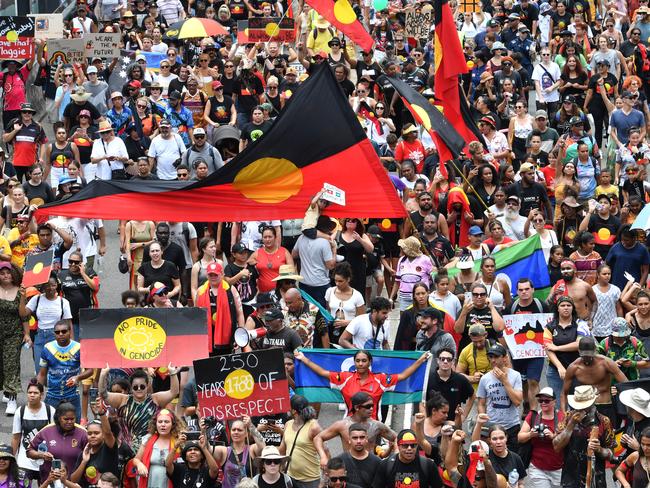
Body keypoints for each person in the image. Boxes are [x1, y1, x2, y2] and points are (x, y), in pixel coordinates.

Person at [294, 349, 430, 419]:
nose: (360, 363)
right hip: (349, 425)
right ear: (354, 362)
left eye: (364, 360)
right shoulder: (344, 378)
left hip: (373, 425)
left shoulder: (381, 379)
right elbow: (323, 372)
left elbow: (403, 376)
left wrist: (420, 360)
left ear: (370, 362)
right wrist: (303, 359)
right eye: (358, 361)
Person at [98, 366, 180, 453]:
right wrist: (103, 374)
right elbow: (103, 394)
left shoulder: (155, 399)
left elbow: (174, 392)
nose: (139, 389)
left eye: (142, 386)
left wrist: (172, 373)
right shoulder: (123, 400)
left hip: (150, 449)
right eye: (135, 387)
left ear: (147, 386)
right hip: (127, 449)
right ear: (131, 387)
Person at [552, 385, 616, 488]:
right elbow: (556, 446)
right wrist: (570, 426)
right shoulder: (568, 417)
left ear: (592, 403)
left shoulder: (604, 421)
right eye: (577, 405)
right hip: (571, 479)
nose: (580, 408)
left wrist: (599, 449)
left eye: (584, 406)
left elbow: (611, 455)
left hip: (595, 480)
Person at [503, 278, 549, 411]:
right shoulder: (511, 307)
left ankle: (534, 412)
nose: (524, 292)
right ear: (517, 291)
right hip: (517, 352)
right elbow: (503, 326)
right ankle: (527, 403)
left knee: (533, 381)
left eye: (527, 289)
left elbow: (549, 325)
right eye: (521, 290)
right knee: (522, 381)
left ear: (533, 289)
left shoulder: (541, 305)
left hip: (537, 351)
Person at [314, 391, 396, 461]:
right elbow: (318, 438)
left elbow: (397, 438)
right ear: (357, 408)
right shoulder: (342, 425)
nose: (371, 409)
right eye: (367, 406)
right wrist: (323, 456)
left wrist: (396, 452)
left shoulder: (377, 425)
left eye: (372, 406)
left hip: (371, 469)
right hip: (349, 468)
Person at [36, 320, 92, 419]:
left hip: (72, 396)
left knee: (74, 429)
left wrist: (78, 378)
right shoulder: (47, 348)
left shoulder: (79, 348)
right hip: (52, 396)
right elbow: (42, 374)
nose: (60, 334)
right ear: (54, 334)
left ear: (70, 332)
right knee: (50, 429)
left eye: (64, 331)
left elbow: (90, 370)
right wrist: (38, 392)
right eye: (57, 332)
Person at [561, 336, 627, 419]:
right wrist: (563, 413)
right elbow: (564, 393)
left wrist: (618, 390)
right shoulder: (574, 367)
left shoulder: (606, 363)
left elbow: (625, 383)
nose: (587, 358)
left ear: (595, 350)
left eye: (589, 355)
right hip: (584, 408)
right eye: (584, 356)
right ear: (579, 351)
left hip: (605, 405)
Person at [20, 274, 73, 375]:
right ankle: (43, 389)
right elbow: (23, 313)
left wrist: (71, 343)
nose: (50, 288)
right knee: (40, 370)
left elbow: (68, 323)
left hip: (57, 337)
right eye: (47, 285)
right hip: (40, 338)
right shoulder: (37, 299)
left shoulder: (63, 302)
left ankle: (53, 390)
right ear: (43, 286)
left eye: (53, 285)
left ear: (57, 285)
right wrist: (23, 297)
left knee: (56, 371)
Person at [543, 296, 591, 402]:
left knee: (578, 401)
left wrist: (557, 348)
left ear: (573, 308)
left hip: (578, 368)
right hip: (555, 370)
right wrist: (560, 367)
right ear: (558, 308)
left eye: (569, 305)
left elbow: (579, 344)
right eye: (562, 305)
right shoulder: (549, 326)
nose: (566, 308)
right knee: (558, 403)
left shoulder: (581, 324)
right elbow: (548, 348)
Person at [27, 402, 88, 484]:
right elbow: (29, 451)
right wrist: (41, 455)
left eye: (72, 419)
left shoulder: (83, 433)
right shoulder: (46, 431)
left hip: (73, 484)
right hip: (49, 482)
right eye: (66, 419)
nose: (69, 422)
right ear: (59, 418)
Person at [477, 344, 523, 452]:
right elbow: (481, 403)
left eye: (496, 357)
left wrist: (505, 381)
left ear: (505, 358)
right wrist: (483, 422)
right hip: (493, 426)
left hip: (512, 426)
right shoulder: (485, 379)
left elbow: (517, 402)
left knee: (513, 459)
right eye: (491, 357)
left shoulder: (515, 375)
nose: (493, 360)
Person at [516, 387, 565, 487]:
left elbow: (567, 440)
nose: (543, 403)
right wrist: (530, 434)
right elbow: (520, 437)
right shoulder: (533, 416)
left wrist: (553, 437)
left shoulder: (562, 417)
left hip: (559, 468)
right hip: (537, 468)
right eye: (540, 400)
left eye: (546, 400)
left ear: (554, 402)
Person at [195, 261, 245, 356]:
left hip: (226, 335)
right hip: (207, 336)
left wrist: (240, 335)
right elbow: (196, 316)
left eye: (216, 274)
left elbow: (240, 313)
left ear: (222, 274)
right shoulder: (200, 291)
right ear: (207, 275)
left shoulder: (231, 290)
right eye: (211, 275)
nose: (213, 277)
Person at [11, 378, 55, 485]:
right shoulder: (20, 412)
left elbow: (55, 436)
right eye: (30, 392)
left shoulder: (50, 411)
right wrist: (11, 460)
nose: (32, 395)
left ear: (42, 395)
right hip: (24, 460)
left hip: (44, 460)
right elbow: (16, 437)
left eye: (35, 393)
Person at [69, 399, 118, 487]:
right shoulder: (84, 453)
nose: (92, 436)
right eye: (89, 433)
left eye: (96, 433)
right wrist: (84, 461)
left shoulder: (109, 449)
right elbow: (73, 480)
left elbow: (108, 433)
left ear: (103, 435)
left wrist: (102, 413)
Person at [371, 429, 443, 488]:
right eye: (405, 445)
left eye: (412, 445)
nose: (409, 448)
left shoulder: (428, 465)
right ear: (398, 447)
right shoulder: (386, 465)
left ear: (417, 446)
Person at [279, 395, 323, 488]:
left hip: (310, 480)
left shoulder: (313, 427)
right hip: (290, 477)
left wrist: (325, 480)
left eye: (289, 407)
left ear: (294, 411)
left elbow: (325, 452)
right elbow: (282, 450)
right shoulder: (288, 424)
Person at [133, 409, 181, 488]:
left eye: (166, 422)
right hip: (150, 481)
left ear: (173, 424)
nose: (163, 424)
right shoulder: (148, 439)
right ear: (155, 424)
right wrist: (139, 464)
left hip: (170, 482)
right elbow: (136, 459)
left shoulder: (178, 442)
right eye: (160, 422)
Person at [454, 282, 506, 351]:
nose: (479, 297)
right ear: (472, 296)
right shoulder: (465, 309)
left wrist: (491, 307)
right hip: (468, 349)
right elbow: (458, 330)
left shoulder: (493, 309)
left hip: (490, 350)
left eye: (482, 294)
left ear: (486, 296)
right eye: (475, 294)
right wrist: (464, 312)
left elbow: (500, 328)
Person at [325, 262, 365, 346]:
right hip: (332, 331)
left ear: (348, 279)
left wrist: (347, 322)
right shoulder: (330, 291)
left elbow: (362, 319)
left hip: (350, 333)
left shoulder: (357, 296)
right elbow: (328, 311)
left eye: (340, 281)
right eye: (335, 280)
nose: (337, 284)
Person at [456, 324, 494, 391]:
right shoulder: (466, 351)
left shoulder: (496, 348)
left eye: (480, 341)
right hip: (475, 393)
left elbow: (509, 370)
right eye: (475, 342)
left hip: (495, 390)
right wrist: (472, 378)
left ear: (486, 334)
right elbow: (458, 374)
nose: (478, 344)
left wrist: (493, 374)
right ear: (470, 337)